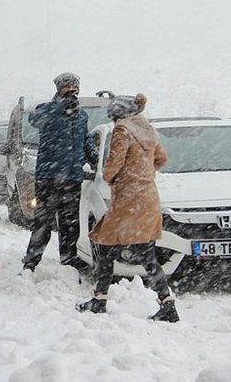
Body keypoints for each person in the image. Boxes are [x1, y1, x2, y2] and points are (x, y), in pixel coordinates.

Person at [76, 94, 179, 322]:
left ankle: (100, 300)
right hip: (147, 198)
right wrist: (143, 173)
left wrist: (113, 178)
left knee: (104, 247)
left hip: (127, 199)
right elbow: (162, 159)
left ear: (117, 114)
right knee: (147, 255)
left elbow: (114, 164)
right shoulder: (148, 129)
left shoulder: (122, 130)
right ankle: (167, 303)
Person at [21, 72, 98, 273]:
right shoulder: (47, 109)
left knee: (70, 223)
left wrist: (95, 158)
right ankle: (31, 262)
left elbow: (85, 140)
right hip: (49, 178)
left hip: (72, 178)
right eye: (67, 86)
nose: (72, 90)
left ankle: (69, 259)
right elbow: (34, 119)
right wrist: (60, 107)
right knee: (43, 223)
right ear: (59, 89)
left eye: (75, 87)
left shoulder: (81, 115)